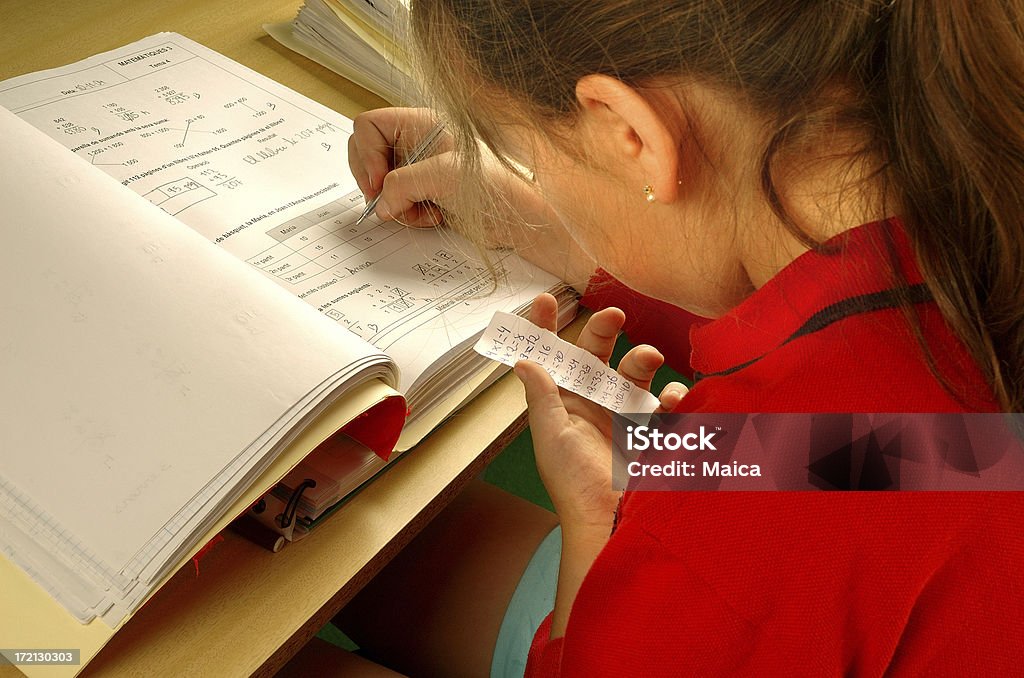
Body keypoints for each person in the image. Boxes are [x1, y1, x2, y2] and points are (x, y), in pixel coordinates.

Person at [287, 1, 1024, 675]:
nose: (532, 177)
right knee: (369, 550)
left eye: (524, 150)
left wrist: (594, 525)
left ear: (629, 133)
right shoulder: (976, 200)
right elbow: (925, 456)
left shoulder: (718, 541)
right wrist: (557, 235)